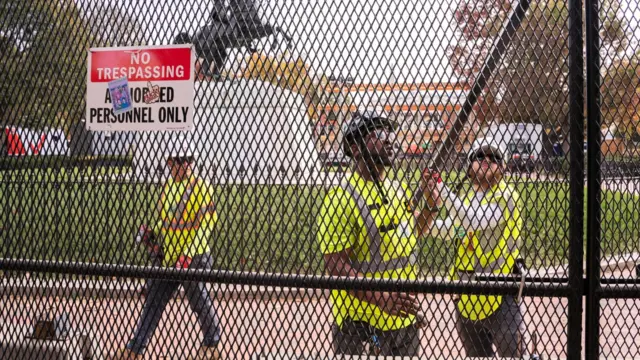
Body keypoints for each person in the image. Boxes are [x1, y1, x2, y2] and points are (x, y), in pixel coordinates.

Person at [316, 110, 439, 356]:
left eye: (390, 132)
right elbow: (336, 266)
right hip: (361, 325)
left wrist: (431, 206)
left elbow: (411, 232)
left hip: (404, 321)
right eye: (379, 133)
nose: (389, 138)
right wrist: (381, 298)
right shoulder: (341, 198)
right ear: (356, 147)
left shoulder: (397, 189)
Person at [116, 144, 221, 360]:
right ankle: (135, 350)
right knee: (154, 301)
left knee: (198, 299)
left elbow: (207, 224)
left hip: (195, 256)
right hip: (171, 257)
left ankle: (212, 345)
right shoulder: (169, 186)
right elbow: (166, 221)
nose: (172, 168)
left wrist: (189, 255)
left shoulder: (202, 188)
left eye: (173, 163)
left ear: (178, 163)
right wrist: (152, 235)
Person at [424, 138, 527, 357]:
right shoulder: (467, 198)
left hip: (500, 294)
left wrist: (440, 188)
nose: (487, 160)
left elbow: (475, 220)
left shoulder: (507, 196)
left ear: (503, 166)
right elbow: (458, 231)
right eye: (480, 156)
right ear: (470, 164)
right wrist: (425, 223)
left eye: (494, 157)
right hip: (467, 297)